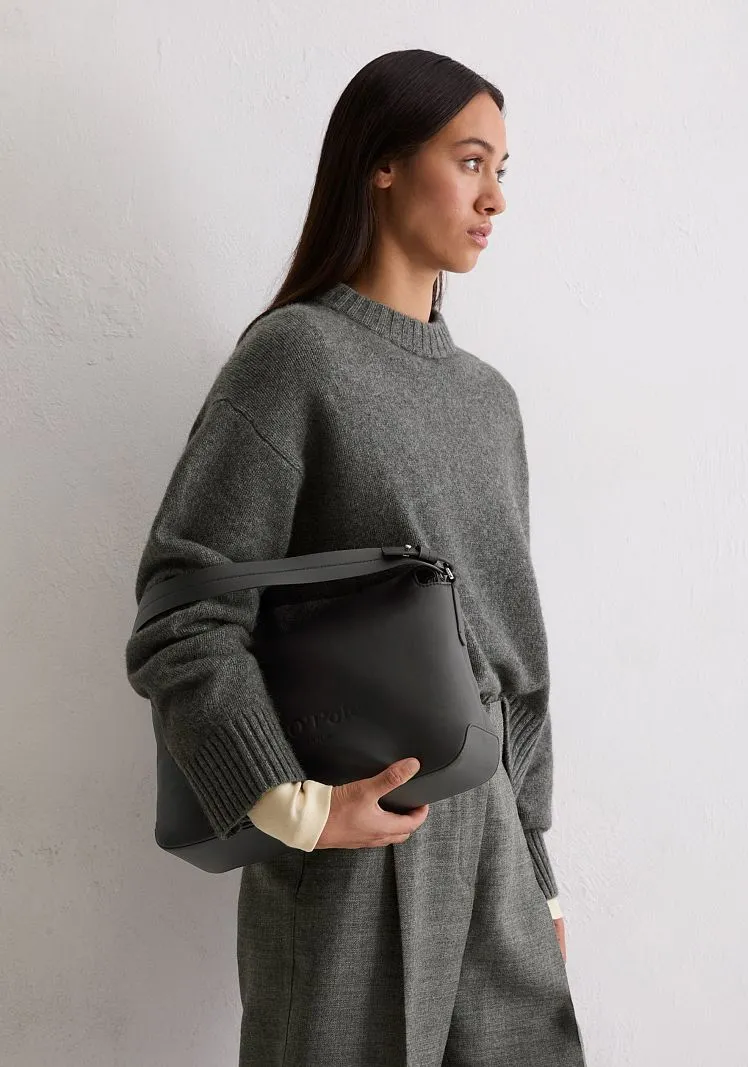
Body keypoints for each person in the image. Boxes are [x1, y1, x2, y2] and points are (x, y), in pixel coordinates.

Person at [125, 48, 588, 1067]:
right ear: (382, 163)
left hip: (497, 855)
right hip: (355, 849)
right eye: (469, 161)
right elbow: (183, 609)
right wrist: (288, 804)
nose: (495, 198)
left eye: (502, 169)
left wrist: (539, 875)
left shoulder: (489, 401)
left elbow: (516, 665)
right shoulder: (295, 357)